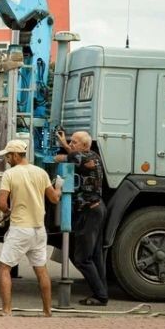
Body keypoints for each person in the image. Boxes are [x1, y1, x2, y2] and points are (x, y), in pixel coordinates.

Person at [0, 138, 61, 316]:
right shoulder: (41, 173)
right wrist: (60, 190)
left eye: (8, 156)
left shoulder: (9, 175)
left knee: (4, 268)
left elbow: (2, 203)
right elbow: (54, 198)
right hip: (39, 230)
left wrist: (8, 209)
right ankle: (47, 311)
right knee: (41, 269)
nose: (7, 160)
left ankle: (6, 310)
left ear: (16, 155)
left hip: (20, 228)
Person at [56, 129, 109, 306]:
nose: (71, 145)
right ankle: (101, 293)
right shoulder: (87, 156)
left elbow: (72, 158)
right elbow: (72, 156)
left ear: (85, 145)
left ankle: (100, 295)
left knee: (82, 258)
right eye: (71, 142)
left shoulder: (89, 159)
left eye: (74, 142)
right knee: (95, 255)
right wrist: (65, 145)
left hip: (91, 211)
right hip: (94, 210)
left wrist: (62, 152)